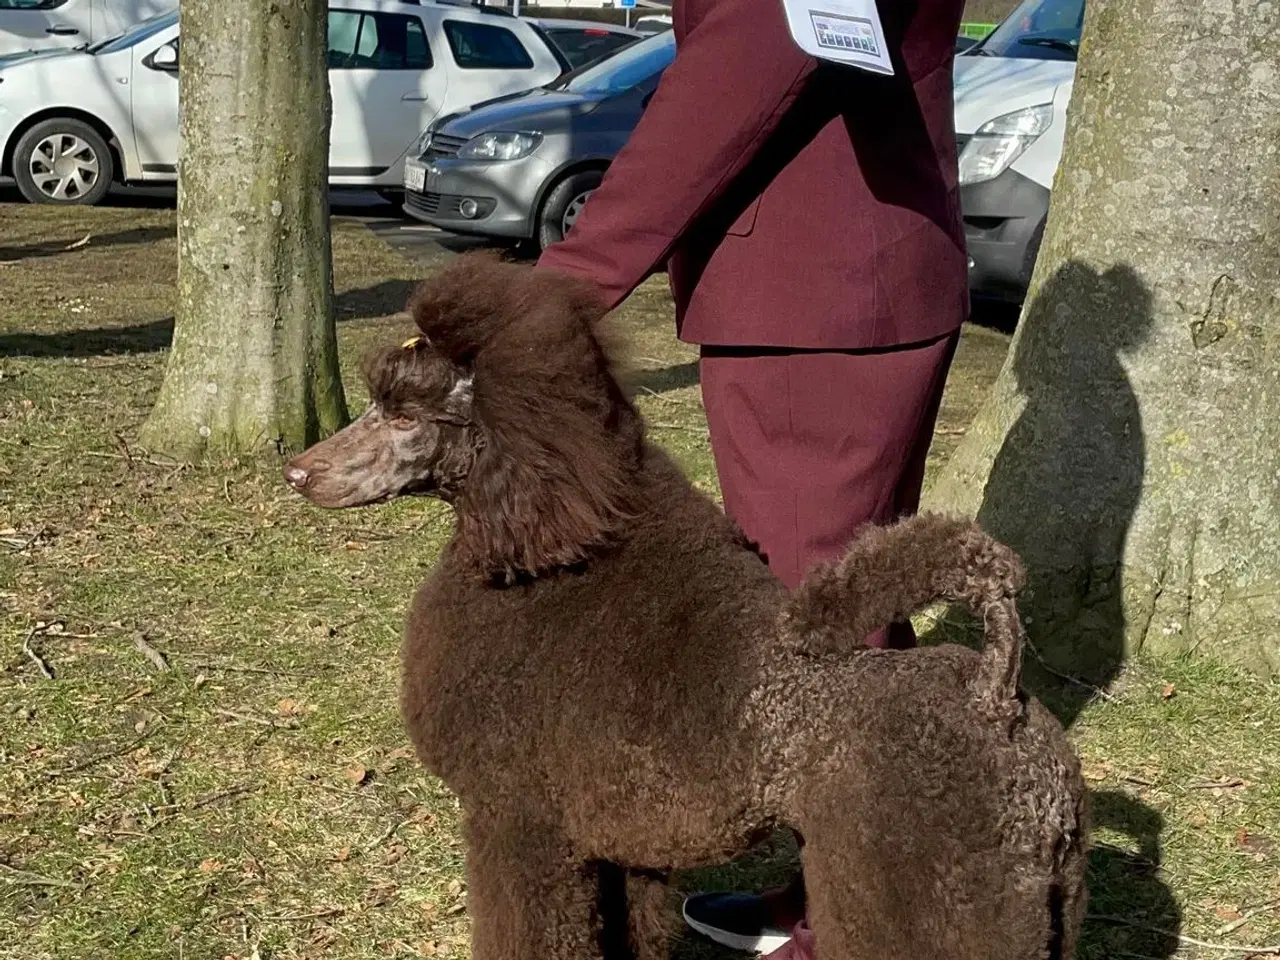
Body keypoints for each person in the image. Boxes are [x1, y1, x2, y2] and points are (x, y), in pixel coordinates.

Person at [533, 0, 970, 956]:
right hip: (846, 277)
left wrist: (567, 282)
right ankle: (835, 885)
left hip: (819, 295)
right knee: (849, 605)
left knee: (820, 620)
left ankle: (861, 920)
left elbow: (747, 59)